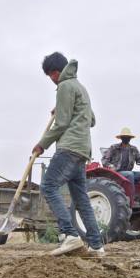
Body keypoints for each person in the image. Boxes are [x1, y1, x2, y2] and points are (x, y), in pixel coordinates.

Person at [33, 52, 105, 257]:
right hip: (83, 150)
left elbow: (62, 123)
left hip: (69, 147)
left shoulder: (65, 86)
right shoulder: (80, 87)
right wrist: (65, 107)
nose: (52, 80)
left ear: (55, 72)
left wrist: (42, 144)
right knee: (81, 198)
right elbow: (90, 119)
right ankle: (96, 246)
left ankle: (69, 235)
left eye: (50, 76)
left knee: (48, 185)